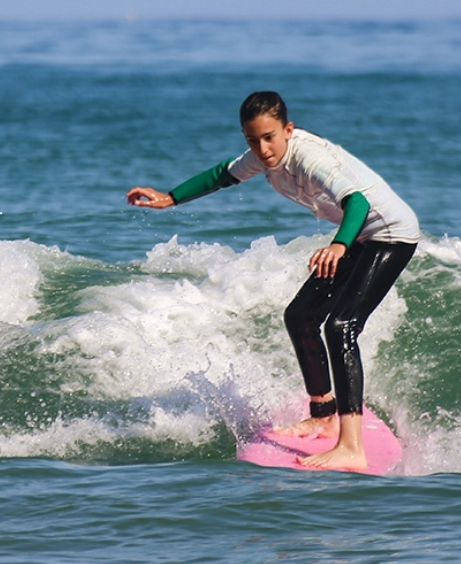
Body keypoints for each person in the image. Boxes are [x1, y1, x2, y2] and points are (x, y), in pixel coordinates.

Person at [127, 91, 419, 470]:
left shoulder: (310, 158)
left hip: (389, 234)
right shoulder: (261, 157)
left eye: (269, 137)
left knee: (341, 327)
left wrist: (338, 246)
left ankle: (352, 447)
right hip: (361, 236)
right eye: (252, 139)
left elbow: (358, 202)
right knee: (300, 316)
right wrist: (169, 198)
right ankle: (322, 413)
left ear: (288, 130)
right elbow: (221, 175)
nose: (262, 149)